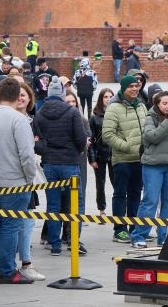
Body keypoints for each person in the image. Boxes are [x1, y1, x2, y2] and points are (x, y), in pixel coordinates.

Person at [0, 77, 37, 284]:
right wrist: (30, 178)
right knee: (11, 225)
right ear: (15, 95)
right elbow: (27, 155)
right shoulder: (19, 120)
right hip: (15, 180)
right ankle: (8, 270)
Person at [33, 77, 86, 256]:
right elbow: (80, 138)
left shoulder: (39, 113)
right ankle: (73, 242)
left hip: (49, 164)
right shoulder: (72, 112)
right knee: (75, 205)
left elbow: (37, 139)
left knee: (53, 204)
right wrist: (76, 152)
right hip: (70, 162)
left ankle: (55, 244)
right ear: (62, 95)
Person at [130, 91, 168, 249]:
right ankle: (139, 236)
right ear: (157, 104)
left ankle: (163, 236)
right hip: (153, 165)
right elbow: (151, 137)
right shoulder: (150, 118)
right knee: (150, 201)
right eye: (164, 103)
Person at [102, 75, 147, 243]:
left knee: (136, 194)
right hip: (122, 160)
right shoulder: (114, 108)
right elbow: (107, 135)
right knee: (120, 194)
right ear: (123, 88)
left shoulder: (141, 106)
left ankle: (134, 226)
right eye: (131, 87)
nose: (134, 89)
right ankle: (119, 229)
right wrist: (127, 146)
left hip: (140, 160)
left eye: (136, 86)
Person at [13, 81, 45, 281]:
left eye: (24, 95)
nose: (21, 98)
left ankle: (26, 261)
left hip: (29, 177)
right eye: (17, 95)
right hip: (11, 177)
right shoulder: (9, 119)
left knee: (27, 219)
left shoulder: (34, 120)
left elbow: (43, 145)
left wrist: (35, 144)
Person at [64, 90, 90, 255]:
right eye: (67, 102)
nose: (71, 104)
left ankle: (73, 237)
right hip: (65, 163)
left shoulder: (83, 120)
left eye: (73, 101)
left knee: (78, 200)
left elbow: (88, 138)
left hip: (80, 163)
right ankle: (61, 237)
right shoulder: (59, 120)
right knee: (62, 202)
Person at [89, 88, 115, 214]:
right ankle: (101, 209)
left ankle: (119, 208)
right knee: (100, 184)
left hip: (114, 154)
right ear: (101, 99)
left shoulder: (117, 114)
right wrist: (92, 158)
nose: (108, 99)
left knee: (117, 182)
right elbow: (91, 139)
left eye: (110, 96)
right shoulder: (94, 117)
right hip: (100, 154)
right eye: (105, 97)